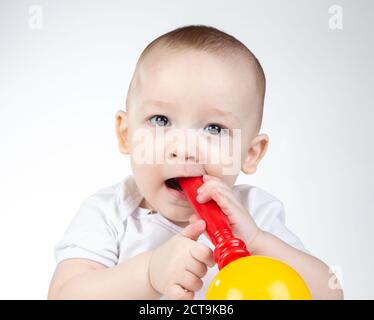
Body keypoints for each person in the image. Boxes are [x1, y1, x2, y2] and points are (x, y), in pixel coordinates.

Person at [48, 25, 343, 300]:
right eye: (160, 120)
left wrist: (258, 241)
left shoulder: (254, 214)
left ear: (250, 154)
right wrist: (148, 274)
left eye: (214, 128)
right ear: (126, 135)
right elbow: (63, 294)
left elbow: (331, 293)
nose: (185, 149)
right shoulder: (109, 214)